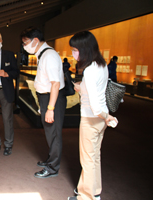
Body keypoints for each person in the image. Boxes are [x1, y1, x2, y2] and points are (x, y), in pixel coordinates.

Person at [67, 31, 118, 200]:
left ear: (84, 49)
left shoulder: (89, 70)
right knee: (95, 157)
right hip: (100, 119)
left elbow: (94, 105)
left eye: (75, 50)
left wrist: (105, 116)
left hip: (91, 118)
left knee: (87, 160)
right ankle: (94, 192)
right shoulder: (101, 65)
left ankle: (86, 197)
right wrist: (83, 89)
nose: (73, 54)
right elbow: (97, 92)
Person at [20, 27, 66, 178]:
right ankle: (51, 161)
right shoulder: (43, 54)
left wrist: (50, 108)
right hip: (46, 98)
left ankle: (53, 167)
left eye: (25, 42)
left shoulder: (49, 56)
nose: (24, 46)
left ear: (35, 40)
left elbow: (55, 84)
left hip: (52, 98)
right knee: (49, 132)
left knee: (54, 133)